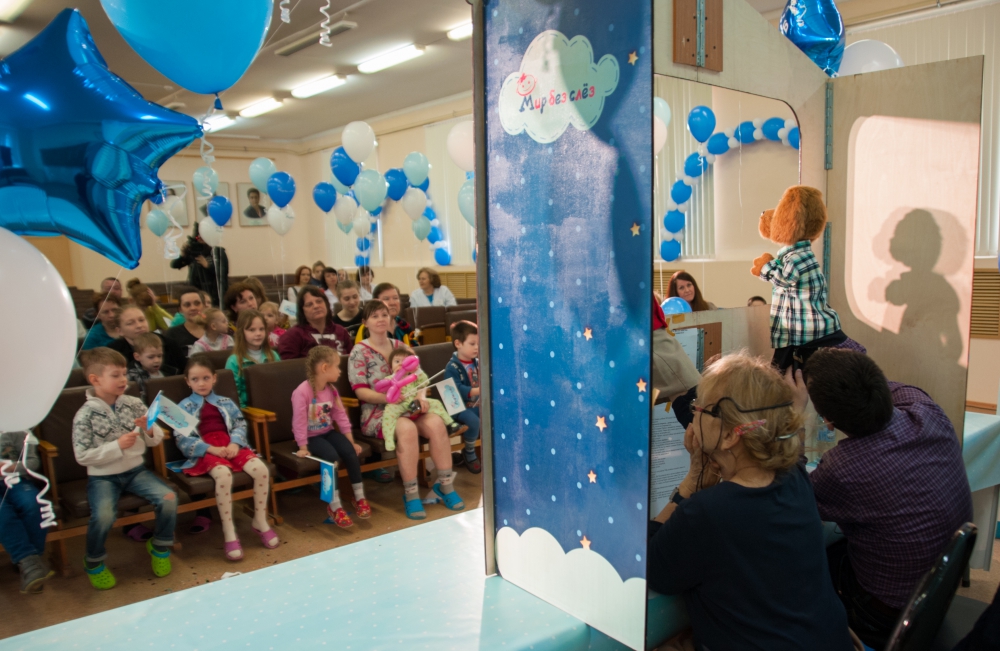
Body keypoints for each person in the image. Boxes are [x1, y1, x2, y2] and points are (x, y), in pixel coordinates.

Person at [646, 352, 852, 651]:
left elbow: (650, 568)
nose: (693, 415)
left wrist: (690, 484)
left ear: (731, 435)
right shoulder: (794, 477)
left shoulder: (706, 512)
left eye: (698, 407)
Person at [799, 349, 973, 647]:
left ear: (828, 421)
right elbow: (887, 386)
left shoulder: (845, 468)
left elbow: (794, 497)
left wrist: (792, 418)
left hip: (883, 612)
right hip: (934, 588)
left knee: (797, 559)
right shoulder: (927, 412)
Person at [349, 300, 463, 520]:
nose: (381, 319)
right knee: (407, 430)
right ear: (365, 322)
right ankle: (411, 494)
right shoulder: (358, 352)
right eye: (374, 316)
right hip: (379, 412)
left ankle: (446, 486)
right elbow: (361, 392)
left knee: (436, 423)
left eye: (384, 315)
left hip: (410, 407)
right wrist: (388, 397)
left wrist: (421, 398)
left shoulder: (401, 346)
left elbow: (420, 379)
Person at [73, 348, 176, 589]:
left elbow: (156, 438)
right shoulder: (84, 415)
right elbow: (82, 456)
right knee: (104, 515)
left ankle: (160, 547)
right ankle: (94, 561)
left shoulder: (133, 403)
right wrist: (116, 446)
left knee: (169, 498)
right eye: (115, 375)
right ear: (95, 379)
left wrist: (148, 428)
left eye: (124, 374)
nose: (123, 380)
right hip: (102, 477)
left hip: (135, 471)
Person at [177, 355, 278, 560]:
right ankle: (229, 531)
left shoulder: (225, 402)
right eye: (195, 379)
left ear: (214, 378)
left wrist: (235, 443)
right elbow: (182, 438)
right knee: (223, 475)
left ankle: (260, 520)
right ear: (187, 381)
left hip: (231, 444)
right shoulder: (184, 406)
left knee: (261, 470)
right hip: (206, 450)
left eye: (206, 378)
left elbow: (239, 423)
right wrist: (210, 449)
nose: (201, 383)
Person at [291, 346, 370, 528]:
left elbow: (340, 416)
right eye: (337, 366)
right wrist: (302, 447)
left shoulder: (332, 390)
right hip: (310, 438)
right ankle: (334, 505)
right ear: (325, 368)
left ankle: (359, 497)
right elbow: (299, 421)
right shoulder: (302, 392)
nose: (340, 371)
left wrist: (351, 442)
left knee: (350, 452)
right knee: (331, 457)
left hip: (327, 432)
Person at [0, 431, 54, 594]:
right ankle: (30, 564)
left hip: (16, 479)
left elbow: (32, 462)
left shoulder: (18, 428)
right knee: (2, 512)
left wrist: (10, 467)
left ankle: (29, 565)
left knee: (33, 504)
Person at [380, 347, 464, 449]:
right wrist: (394, 387)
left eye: (405, 361)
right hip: (399, 405)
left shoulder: (414, 376)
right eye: (397, 361)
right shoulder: (389, 379)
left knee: (436, 403)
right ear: (391, 365)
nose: (401, 364)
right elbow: (384, 390)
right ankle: (389, 440)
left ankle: (451, 424)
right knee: (388, 414)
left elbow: (424, 381)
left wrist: (418, 370)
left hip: (415, 402)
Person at [444, 321, 482, 473]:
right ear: (458, 344)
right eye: (472, 344)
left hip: (476, 404)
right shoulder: (451, 367)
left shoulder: (478, 363)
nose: (477, 347)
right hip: (458, 407)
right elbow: (455, 390)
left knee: (495, 414)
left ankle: (491, 449)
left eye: (478, 343)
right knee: (474, 421)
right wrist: (477, 391)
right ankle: (469, 451)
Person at [277, 286, 353, 360]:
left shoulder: (341, 331)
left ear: (326, 304)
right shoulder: (292, 336)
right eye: (309, 304)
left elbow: (352, 360)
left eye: (319, 301)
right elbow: (289, 366)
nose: (316, 306)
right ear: (302, 311)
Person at [225, 309, 281, 408]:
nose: (258, 333)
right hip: (250, 411)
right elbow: (233, 395)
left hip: (273, 405)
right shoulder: (234, 361)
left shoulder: (273, 356)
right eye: (252, 330)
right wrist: (246, 412)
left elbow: (279, 385)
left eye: (261, 329)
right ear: (242, 332)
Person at [108, 306, 185, 374]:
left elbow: (183, 372)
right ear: (119, 331)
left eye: (141, 320)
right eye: (130, 323)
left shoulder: (169, 344)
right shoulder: (113, 353)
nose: (139, 325)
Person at [171, 222, 229, 308]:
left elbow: (223, 271)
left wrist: (208, 265)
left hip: (214, 293)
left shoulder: (217, 252)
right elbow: (174, 265)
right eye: (198, 236)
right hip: (196, 291)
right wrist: (182, 256)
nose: (201, 239)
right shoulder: (193, 252)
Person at [127, 332, 176, 402]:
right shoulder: (133, 377)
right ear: (137, 357)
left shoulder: (170, 372)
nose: (157, 360)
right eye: (151, 357)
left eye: (159, 356)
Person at [163, 287, 206, 356]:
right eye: (187, 305)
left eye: (197, 303)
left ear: (204, 306)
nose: (193, 308)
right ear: (180, 309)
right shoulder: (173, 334)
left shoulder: (216, 329)